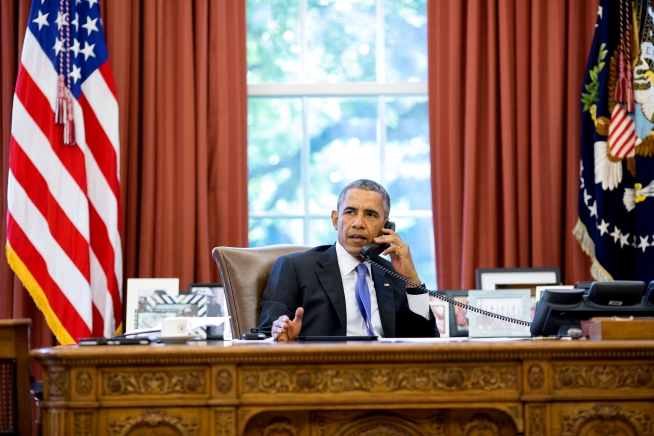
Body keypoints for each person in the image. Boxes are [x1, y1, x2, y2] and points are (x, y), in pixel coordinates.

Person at [258, 179, 440, 341]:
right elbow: (264, 336)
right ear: (336, 220)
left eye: (370, 214)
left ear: (386, 227)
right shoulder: (295, 268)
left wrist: (413, 283)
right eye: (350, 212)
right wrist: (282, 337)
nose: (358, 223)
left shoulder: (393, 275)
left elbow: (426, 342)